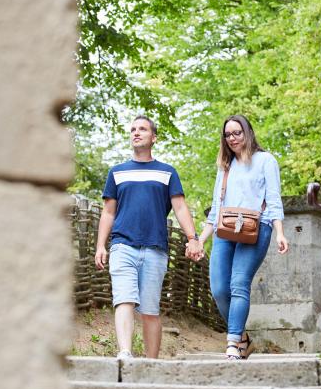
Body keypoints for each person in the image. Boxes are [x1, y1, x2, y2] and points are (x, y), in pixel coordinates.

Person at [94, 116, 203, 360]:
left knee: (151, 310)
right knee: (124, 299)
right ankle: (125, 353)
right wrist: (101, 245)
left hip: (156, 249)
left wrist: (193, 238)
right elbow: (108, 212)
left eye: (142, 129)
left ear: (153, 137)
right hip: (123, 245)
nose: (136, 132)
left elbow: (181, 208)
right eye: (132, 129)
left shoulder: (167, 172)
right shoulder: (117, 172)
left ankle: (151, 364)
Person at [196, 115, 289, 360]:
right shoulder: (225, 166)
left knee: (239, 284)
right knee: (218, 289)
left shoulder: (265, 160)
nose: (233, 138)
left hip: (257, 228)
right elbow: (216, 208)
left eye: (237, 133)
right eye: (228, 135)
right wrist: (200, 239)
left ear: (247, 132)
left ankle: (232, 342)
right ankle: (244, 339)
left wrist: (279, 232)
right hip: (225, 228)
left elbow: (274, 199)